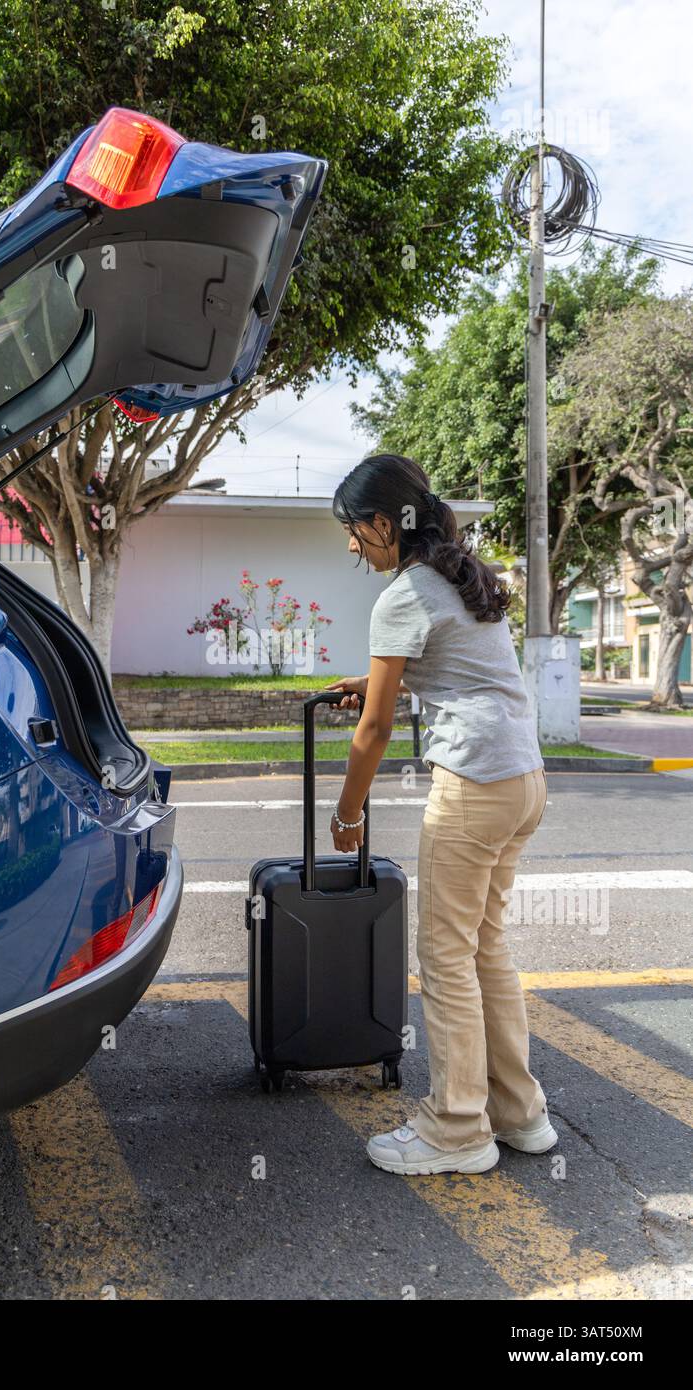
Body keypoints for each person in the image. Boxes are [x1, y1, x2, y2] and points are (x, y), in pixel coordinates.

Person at [324, 453, 556, 1176]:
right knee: (485, 948)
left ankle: (456, 1127)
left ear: (385, 522)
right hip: (523, 781)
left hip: (474, 787)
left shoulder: (403, 595)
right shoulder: (460, 576)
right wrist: (373, 679)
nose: (352, 546)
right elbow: (457, 666)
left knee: (446, 957)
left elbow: (376, 730)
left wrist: (348, 812)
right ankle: (520, 1115)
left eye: (355, 531)